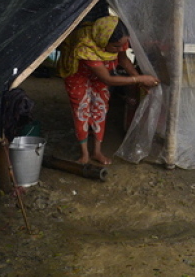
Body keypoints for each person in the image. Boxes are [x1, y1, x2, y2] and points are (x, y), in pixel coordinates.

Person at [58, 15, 159, 166]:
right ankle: (84, 153)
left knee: (100, 108)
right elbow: (108, 79)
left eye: (122, 45)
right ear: (103, 41)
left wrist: (139, 79)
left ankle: (97, 151)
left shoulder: (119, 40)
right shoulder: (85, 46)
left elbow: (124, 60)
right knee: (82, 110)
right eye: (116, 46)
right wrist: (140, 79)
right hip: (78, 75)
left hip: (100, 73)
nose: (120, 49)